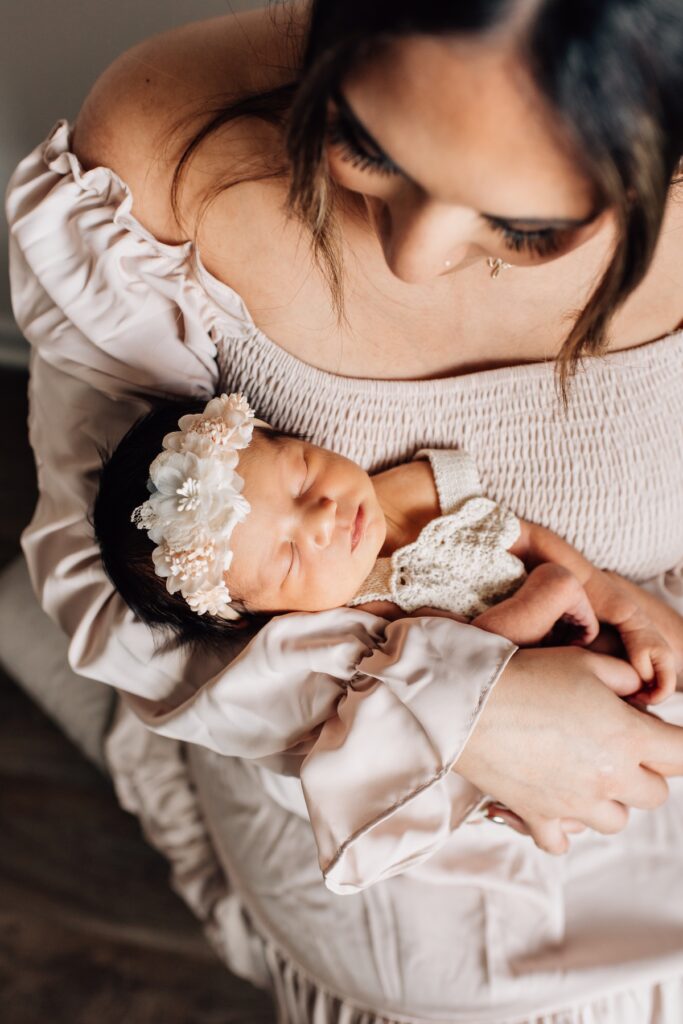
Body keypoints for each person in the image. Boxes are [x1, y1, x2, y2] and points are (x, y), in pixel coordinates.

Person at [6, 1, 683, 1019]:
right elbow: (102, 565)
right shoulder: (169, 162)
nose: (412, 256)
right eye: (364, 143)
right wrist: (457, 711)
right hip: (358, 830)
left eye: (528, 225)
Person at [94, 391, 679, 704]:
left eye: (301, 475)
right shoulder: (352, 621)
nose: (323, 516)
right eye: (291, 557)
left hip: (587, 618)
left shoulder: (419, 487)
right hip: (548, 691)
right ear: (272, 615)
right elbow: (459, 674)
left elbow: (521, 534)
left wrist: (615, 606)